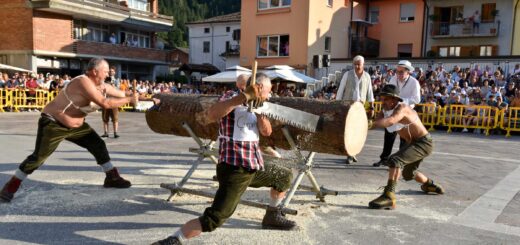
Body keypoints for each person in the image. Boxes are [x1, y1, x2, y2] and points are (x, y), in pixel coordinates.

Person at [152, 73, 296, 245]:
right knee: (215, 218)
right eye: (268, 91)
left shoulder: (261, 104)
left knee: (284, 175)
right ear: (258, 88)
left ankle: (272, 215)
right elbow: (212, 114)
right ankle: (174, 240)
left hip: (253, 165)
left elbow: (266, 132)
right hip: (235, 168)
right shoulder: (231, 97)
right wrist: (244, 97)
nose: (270, 95)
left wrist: (259, 111)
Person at [0, 58, 139, 203]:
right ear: (94, 71)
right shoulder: (83, 81)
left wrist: (148, 98)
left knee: (98, 145)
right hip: (54, 123)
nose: (107, 75)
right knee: (38, 158)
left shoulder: (103, 85)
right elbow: (105, 103)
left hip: (77, 127)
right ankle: (11, 185)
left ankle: (112, 177)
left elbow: (123, 95)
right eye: (105, 72)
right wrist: (130, 100)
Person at [368, 84, 445, 209]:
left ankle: (389, 196)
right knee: (408, 173)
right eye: (381, 99)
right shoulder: (384, 111)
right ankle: (429, 185)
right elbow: (376, 123)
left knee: (395, 160)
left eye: (385, 99)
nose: (382, 102)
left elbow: (391, 121)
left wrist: (369, 124)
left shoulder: (402, 108)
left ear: (394, 99)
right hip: (413, 144)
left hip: (424, 143)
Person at [373, 60, 420, 167]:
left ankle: (400, 162)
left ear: (408, 72)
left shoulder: (414, 82)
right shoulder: (393, 79)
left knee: (404, 139)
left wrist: (401, 101)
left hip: (406, 113)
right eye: (397, 71)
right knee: (389, 136)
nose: (398, 74)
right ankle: (384, 159)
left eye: (401, 72)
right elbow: (389, 93)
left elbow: (417, 99)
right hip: (392, 111)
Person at [336, 55, 375, 165]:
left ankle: (353, 153)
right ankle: (349, 154)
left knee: (357, 131)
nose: (357, 66)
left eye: (359, 64)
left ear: (363, 64)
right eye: (355, 64)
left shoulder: (367, 76)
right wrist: (337, 103)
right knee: (349, 131)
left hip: (360, 107)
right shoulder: (347, 74)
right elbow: (341, 90)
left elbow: (370, 92)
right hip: (348, 106)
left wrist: (371, 107)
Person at [101, 66, 121, 138]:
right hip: (106, 100)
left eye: (112, 71)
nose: (110, 72)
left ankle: (115, 132)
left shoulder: (116, 80)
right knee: (105, 117)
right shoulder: (104, 80)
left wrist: (113, 86)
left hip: (114, 101)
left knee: (115, 118)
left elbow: (118, 90)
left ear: (115, 72)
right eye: (109, 71)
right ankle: (106, 132)